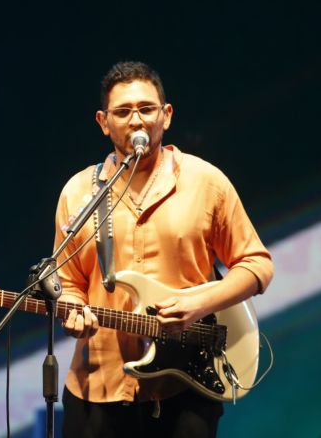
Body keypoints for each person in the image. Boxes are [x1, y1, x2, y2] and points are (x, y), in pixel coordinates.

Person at [54, 61, 275, 438]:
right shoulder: (79, 193)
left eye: (146, 108)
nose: (136, 121)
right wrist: (72, 309)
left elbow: (256, 266)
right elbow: (67, 283)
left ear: (166, 115)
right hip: (98, 386)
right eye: (122, 112)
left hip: (186, 385)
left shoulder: (206, 182)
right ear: (103, 122)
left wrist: (201, 303)